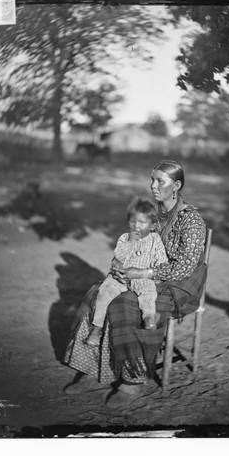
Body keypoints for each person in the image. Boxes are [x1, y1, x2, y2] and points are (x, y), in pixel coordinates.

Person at [64, 160, 207, 405]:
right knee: (98, 292)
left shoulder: (191, 221)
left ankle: (134, 378)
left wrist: (142, 273)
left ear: (177, 185)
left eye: (159, 181)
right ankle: (93, 368)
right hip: (144, 274)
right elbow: (131, 245)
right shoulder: (153, 214)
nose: (153, 185)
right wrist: (120, 267)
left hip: (178, 283)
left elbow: (184, 267)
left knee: (125, 304)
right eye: (152, 179)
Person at [85, 196, 168, 346]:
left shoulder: (155, 240)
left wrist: (153, 274)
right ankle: (97, 328)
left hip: (141, 278)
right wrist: (129, 245)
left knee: (148, 292)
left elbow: (162, 262)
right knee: (105, 291)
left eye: (142, 222)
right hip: (120, 278)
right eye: (133, 221)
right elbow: (118, 258)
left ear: (153, 225)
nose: (136, 226)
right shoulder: (124, 238)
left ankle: (149, 316)